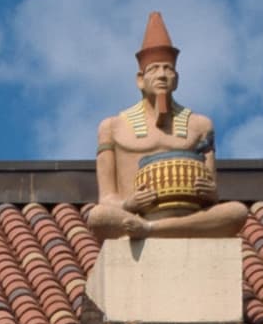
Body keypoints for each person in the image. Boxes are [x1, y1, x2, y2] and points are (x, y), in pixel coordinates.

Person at [86, 12, 250, 240]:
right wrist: (129, 202)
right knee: (98, 216)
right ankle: (150, 226)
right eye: (154, 69)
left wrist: (209, 192)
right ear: (140, 80)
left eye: (167, 69)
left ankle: (154, 231)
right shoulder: (112, 127)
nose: (162, 75)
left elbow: (212, 194)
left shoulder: (200, 125)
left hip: (188, 214)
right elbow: (107, 198)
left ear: (177, 78)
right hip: (135, 216)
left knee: (236, 212)